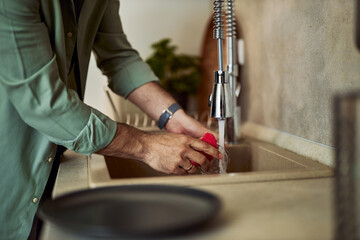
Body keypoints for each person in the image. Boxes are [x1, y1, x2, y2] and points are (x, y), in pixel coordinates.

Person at [0, 0, 221, 239]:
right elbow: (43, 101)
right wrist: (146, 146)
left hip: (54, 156)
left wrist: (173, 116)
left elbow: (118, 56)